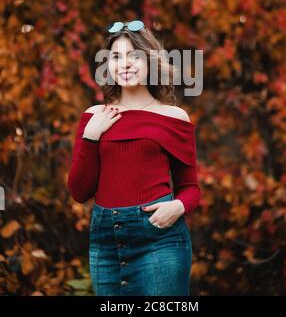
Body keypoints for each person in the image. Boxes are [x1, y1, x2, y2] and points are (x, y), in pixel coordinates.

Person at [67, 20, 201, 296]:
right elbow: (79, 192)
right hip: (106, 243)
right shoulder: (95, 117)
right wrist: (91, 137)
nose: (124, 64)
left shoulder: (173, 118)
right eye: (116, 57)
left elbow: (191, 188)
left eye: (134, 56)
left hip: (159, 238)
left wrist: (177, 207)